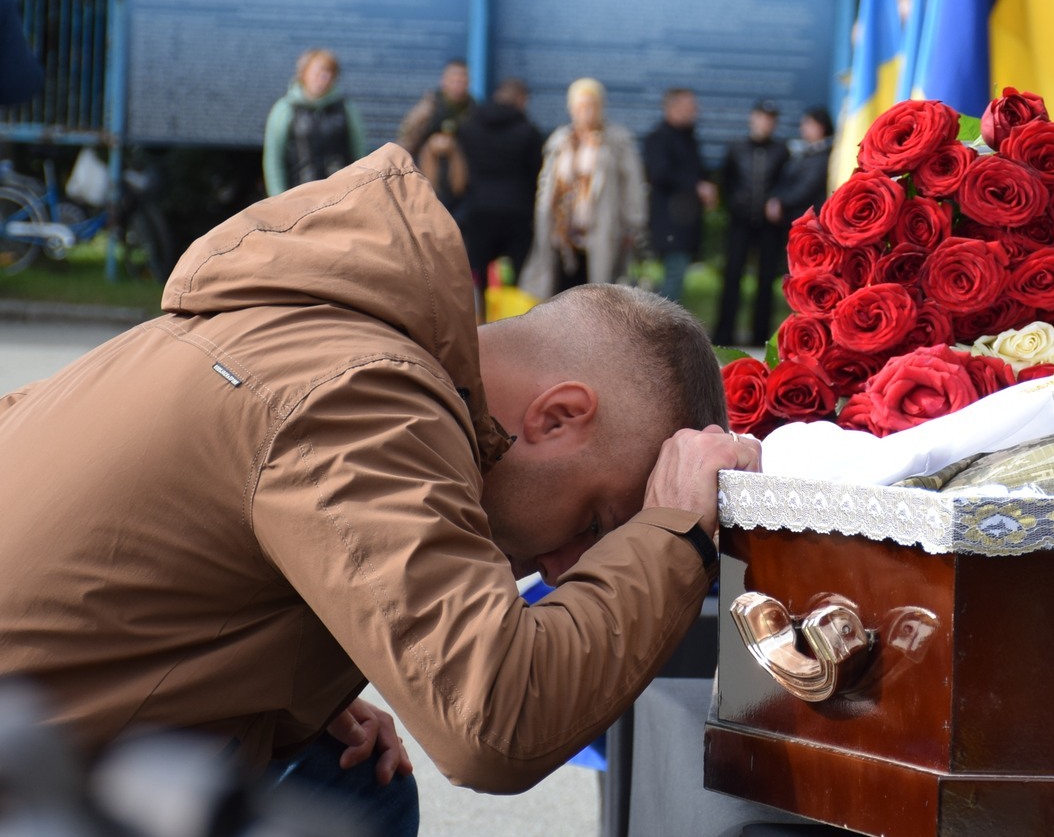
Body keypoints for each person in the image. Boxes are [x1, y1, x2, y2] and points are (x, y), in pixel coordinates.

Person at [0, 146, 760, 834]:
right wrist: (674, 534)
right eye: (596, 524)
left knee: (354, 781)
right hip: (26, 784)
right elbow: (495, 721)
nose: (565, 571)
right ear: (557, 417)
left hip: (35, 739)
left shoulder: (313, 331)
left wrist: (283, 697)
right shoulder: (362, 398)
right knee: (353, 800)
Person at [522, 78, 648, 300]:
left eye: (592, 105)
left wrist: (633, 223)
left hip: (602, 228)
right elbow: (547, 184)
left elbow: (632, 185)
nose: (586, 111)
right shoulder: (561, 140)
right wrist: (543, 219)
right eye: (580, 106)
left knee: (597, 294)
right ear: (571, 108)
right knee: (562, 294)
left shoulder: (616, 140)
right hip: (563, 232)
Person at [456, 78, 547, 287]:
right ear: (521, 99)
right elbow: (536, 172)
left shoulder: (470, 126)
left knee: (477, 274)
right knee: (514, 276)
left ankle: (479, 307)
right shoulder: (528, 131)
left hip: (478, 207)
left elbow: (462, 168)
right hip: (517, 211)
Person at [713, 101, 788, 347]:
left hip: (769, 225)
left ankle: (760, 335)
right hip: (740, 221)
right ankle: (724, 333)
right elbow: (726, 180)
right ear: (753, 118)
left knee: (766, 279)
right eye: (762, 117)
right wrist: (735, 204)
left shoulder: (781, 151)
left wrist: (776, 201)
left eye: (771, 119)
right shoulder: (737, 148)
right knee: (732, 276)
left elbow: (785, 182)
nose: (766, 123)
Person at [263, 48, 366, 197]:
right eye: (318, 73)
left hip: (339, 194)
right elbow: (274, 159)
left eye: (329, 74)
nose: (323, 78)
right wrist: (277, 197)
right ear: (303, 74)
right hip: (298, 195)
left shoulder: (345, 108)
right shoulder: (285, 109)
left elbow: (359, 153)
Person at [644, 87, 715, 304]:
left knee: (677, 274)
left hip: (685, 223)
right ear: (673, 107)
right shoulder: (659, 138)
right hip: (670, 223)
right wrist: (696, 186)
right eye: (690, 105)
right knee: (673, 276)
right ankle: (662, 323)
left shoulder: (689, 137)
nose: (695, 110)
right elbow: (659, 173)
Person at [397, 58, 474, 209]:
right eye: (454, 80)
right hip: (427, 176)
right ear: (444, 81)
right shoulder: (428, 107)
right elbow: (407, 138)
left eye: (462, 80)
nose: (458, 85)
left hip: (461, 184)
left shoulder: (473, 109)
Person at [768, 107, 832, 228]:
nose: (802, 128)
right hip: (792, 216)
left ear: (821, 126)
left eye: (808, 124)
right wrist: (775, 197)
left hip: (810, 218)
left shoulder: (825, 156)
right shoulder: (802, 153)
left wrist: (781, 201)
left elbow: (807, 187)